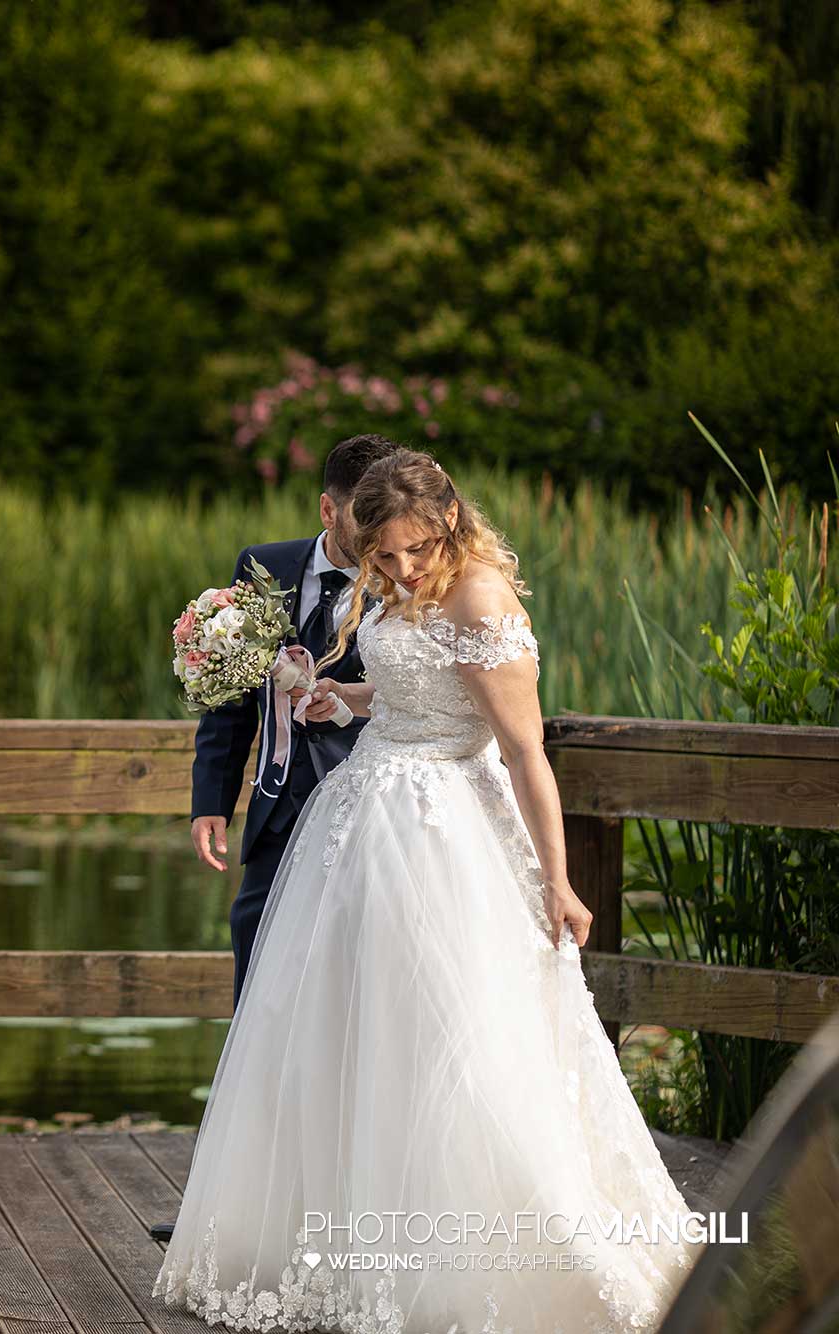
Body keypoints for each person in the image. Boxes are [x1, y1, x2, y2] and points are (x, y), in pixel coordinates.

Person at [152, 449, 697, 1331]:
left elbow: (522, 749)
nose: (402, 569)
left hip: (447, 832)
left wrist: (556, 879)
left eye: (416, 549)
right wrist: (345, 699)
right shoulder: (394, 584)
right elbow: (415, 691)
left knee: (455, 1032)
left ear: (449, 520)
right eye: (384, 554)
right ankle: (340, 1252)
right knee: (348, 1026)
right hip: (360, 824)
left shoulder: (481, 596)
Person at [190, 433, 402, 1006]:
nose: (379, 535)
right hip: (277, 808)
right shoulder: (263, 566)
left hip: (372, 811)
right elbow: (231, 696)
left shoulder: (406, 574)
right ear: (328, 510)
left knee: (355, 979)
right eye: (364, 517)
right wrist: (212, 799)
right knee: (257, 968)